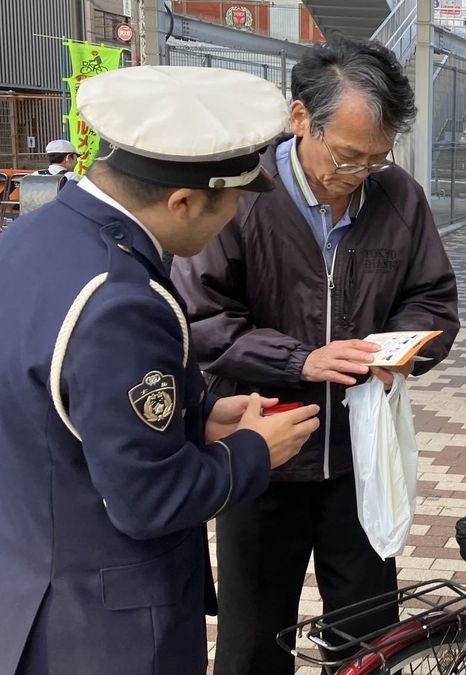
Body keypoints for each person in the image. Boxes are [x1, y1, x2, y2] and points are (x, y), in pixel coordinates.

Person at [0, 65, 321, 675]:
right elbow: (149, 499)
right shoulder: (120, 300)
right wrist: (255, 449)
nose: (233, 220)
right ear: (182, 201)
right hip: (105, 630)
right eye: (232, 204)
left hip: (29, 586)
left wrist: (194, 415)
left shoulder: (31, 237)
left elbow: (55, 403)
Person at [171, 36, 461, 675]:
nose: (358, 174)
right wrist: (299, 360)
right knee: (253, 640)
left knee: (370, 636)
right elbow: (202, 320)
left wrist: (406, 348)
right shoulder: (240, 196)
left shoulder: (399, 198)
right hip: (259, 449)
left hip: (360, 454)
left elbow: (433, 300)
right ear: (301, 118)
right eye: (348, 155)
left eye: (376, 159)